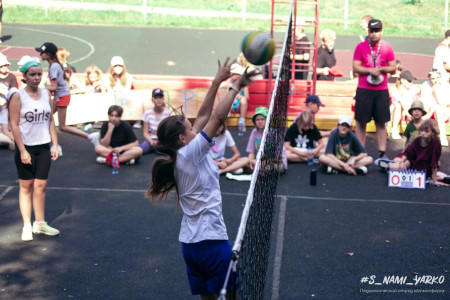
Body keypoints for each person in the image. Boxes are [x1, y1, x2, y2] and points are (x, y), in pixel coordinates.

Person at [146, 58, 258, 298]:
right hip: (211, 243)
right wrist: (235, 87)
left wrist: (217, 80)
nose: (196, 127)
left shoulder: (182, 154)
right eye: (190, 128)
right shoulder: (191, 153)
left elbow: (206, 114)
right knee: (228, 296)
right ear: (182, 139)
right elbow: (217, 117)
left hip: (190, 245)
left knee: (208, 296)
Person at [9, 60, 60, 241]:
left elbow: (51, 121)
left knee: (41, 186)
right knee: (26, 186)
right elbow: (14, 125)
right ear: (25, 76)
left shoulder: (46, 94)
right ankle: (26, 225)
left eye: (39, 74)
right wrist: (22, 150)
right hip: (27, 147)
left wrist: (55, 144)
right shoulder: (18, 96)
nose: (37, 78)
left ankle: (40, 223)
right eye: (32, 74)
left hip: (43, 145)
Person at [36, 42, 100, 152]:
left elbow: (54, 86)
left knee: (62, 126)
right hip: (59, 96)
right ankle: (45, 143)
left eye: (42, 53)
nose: (40, 54)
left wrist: (40, 88)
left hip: (62, 96)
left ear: (48, 55)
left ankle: (89, 137)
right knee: (47, 119)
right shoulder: (54, 65)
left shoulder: (54, 67)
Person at [352, 19, 396, 159]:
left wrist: (381, 69)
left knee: (381, 121)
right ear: (368, 32)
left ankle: (382, 153)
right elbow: (356, 67)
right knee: (361, 121)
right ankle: (360, 151)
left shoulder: (387, 47)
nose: (374, 34)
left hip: (381, 89)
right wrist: (371, 71)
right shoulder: (360, 47)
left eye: (377, 31)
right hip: (364, 89)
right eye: (372, 31)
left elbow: (393, 67)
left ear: (381, 32)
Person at [374, 119, 449, 186]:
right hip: (414, 163)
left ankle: (388, 166)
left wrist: (435, 180)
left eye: (426, 131)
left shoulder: (435, 142)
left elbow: (434, 162)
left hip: (425, 168)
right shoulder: (418, 139)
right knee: (396, 166)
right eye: (422, 130)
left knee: (396, 168)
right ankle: (388, 165)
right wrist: (402, 162)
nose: (423, 133)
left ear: (433, 132)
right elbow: (407, 152)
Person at [135, 88, 172, 156]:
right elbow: (145, 133)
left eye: (160, 97)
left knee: (163, 151)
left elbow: (170, 131)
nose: (158, 100)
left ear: (163, 99)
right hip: (151, 139)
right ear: (152, 99)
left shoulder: (168, 113)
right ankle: (129, 155)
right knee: (142, 149)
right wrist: (151, 141)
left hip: (163, 140)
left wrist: (161, 141)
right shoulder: (147, 113)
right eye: (156, 97)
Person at [420, 68, 449, 146]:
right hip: (429, 111)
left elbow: (445, 104)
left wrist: (436, 91)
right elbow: (424, 101)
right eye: (433, 78)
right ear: (429, 78)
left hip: (443, 114)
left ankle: (443, 137)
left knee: (438, 108)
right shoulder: (425, 85)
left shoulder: (445, 85)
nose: (435, 80)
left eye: (437, 78)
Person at [390, 70, 420, 139]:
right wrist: (407, 112)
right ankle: (394, 129)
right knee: (398, 105)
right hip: (397, 112)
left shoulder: (412, 88)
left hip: (408, 111)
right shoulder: (395, 89)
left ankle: (416, 130)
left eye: (412, 81)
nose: (411, 83)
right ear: (403, 80)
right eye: (409, 81)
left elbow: (417, 98)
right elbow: (401, 101)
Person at [229, 63, 249, 133]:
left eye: (235, 74)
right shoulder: (228, 83)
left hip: (239, 105)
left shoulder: (244, 85)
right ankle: (221, 122)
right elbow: (225, 95)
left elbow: (247, 97)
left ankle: (242, 120)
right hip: (230, 104)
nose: (232, 76)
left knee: (243, 100)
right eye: (231, 74)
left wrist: (240, 96)